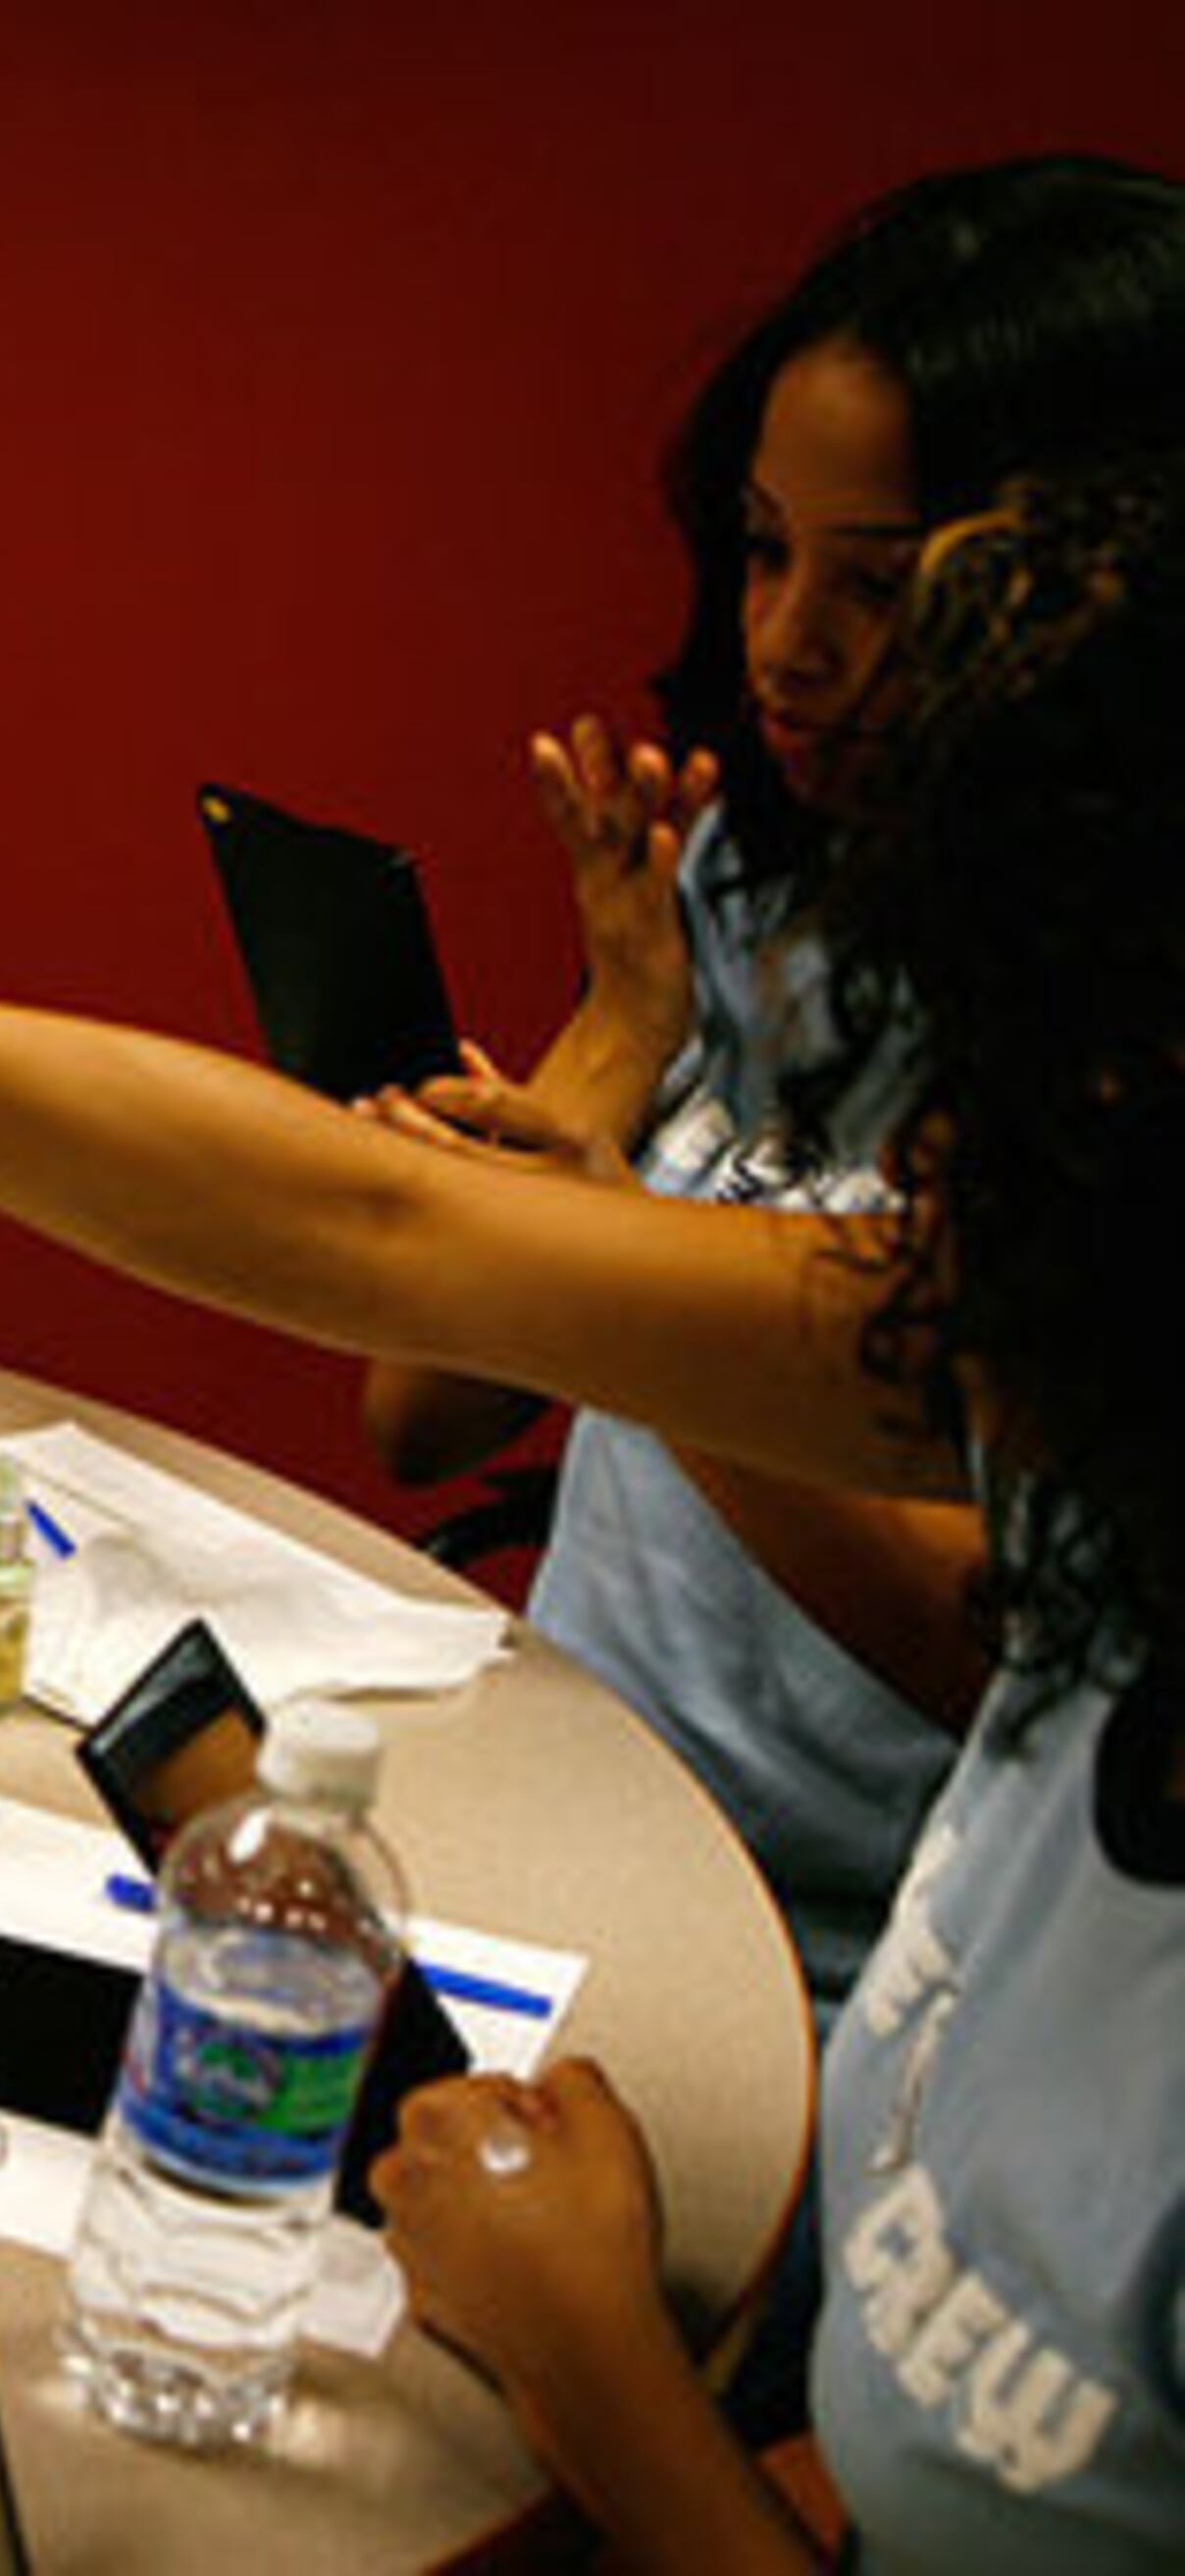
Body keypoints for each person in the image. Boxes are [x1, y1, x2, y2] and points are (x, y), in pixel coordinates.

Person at [0, 463, 1185, 2563]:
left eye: (982, 1125)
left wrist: (596, 2361)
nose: (904, 1213)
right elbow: (369, 1222)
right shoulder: (1067, 1395)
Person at [355, 156, 1185, 2029]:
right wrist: (619, 1039)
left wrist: (613, 1242)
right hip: (545, 1833)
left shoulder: (1102, 1036)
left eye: (879, 586)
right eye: (760, 547)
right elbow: (416, 1403)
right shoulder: (745, 875)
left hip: (819, 1976)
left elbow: (1017, 1659)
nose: (789, 642)